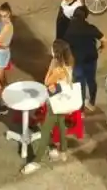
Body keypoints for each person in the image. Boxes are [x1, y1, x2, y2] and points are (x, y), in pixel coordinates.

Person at [42, 39, 74, 167]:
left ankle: (57, 149)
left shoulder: (58, 68)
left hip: (56, 99)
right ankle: (63, 151)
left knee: (53, 125)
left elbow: (46, 81)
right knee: (60, 124)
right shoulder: (69, 62)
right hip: (64, 98)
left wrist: (51, 69)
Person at [66, 6, 105, 111]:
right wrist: (102, 47)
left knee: (79, 84)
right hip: (91, 58)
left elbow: (65, 46)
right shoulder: (90, 27)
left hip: (78, 61)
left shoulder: (69, 29)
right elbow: (104, 39)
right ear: (85, 17)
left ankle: (81, 109)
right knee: (91, 80)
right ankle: (92, 102)